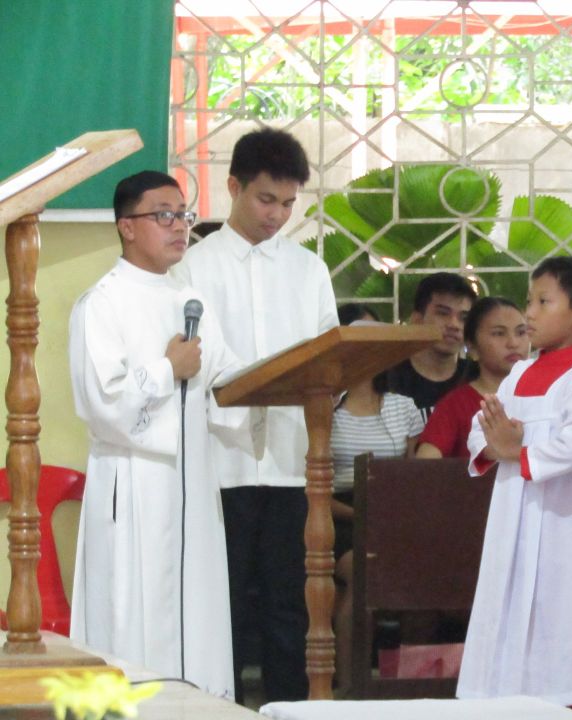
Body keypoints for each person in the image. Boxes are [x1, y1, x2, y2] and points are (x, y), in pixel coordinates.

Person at [171, 128, 339, 703]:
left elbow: (327, 357)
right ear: (234, 186)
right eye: (266, 199)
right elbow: (197, 362)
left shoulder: (308, 269)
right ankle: (218, 708)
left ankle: (290, 708)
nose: (278, 215)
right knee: (227, 600)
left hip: (293, 460)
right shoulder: (193, 267)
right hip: (222, 460)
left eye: (289, 204)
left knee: (290, 602)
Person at [69, 171, 245, 697]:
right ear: (127, 226)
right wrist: (168, 369)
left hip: (192, 485)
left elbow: (228, 379)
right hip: (135, 483)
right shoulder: (101, 303)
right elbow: (103, 407)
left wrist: (288, 384)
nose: (179, 227)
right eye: (163, 215)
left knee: (198, 608)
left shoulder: (191, 299)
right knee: (134, 613)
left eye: (184, 214)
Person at [456, 256, 572, 717]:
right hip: (514, 517)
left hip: (563, 521)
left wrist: (517, 451)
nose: (529, 313)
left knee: (565, 612)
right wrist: (496, 447)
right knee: (508, 610)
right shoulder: (518, 375)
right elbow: (479, 430)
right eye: (530, 300)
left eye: (543, 301)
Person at [330, 303, 424, 694]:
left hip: (394, 512)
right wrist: (360, 514)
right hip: (340, 514)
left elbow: (414, 474)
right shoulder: (325, 407)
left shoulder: (403, 406)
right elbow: (313, 485)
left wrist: (389, 514)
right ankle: (351, 687)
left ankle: (411, 688)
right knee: (361, 573)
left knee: (424, 571)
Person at [416, 297, 529, 459]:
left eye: (521, 332)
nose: (513, 343)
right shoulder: (455, 405)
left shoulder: (546, 395)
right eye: (499, 333)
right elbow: (425, 465)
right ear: (472, 347)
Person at [387, 272, 477, 422]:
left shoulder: (478, 377)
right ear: (417, 320)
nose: (454, 325)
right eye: (443, 313)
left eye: (464, 318)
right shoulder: (389, 378)